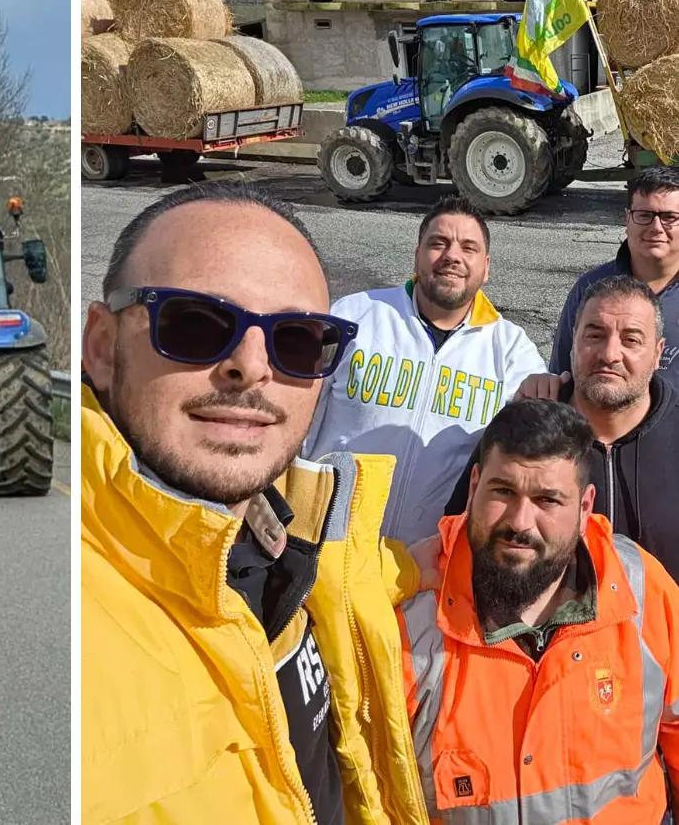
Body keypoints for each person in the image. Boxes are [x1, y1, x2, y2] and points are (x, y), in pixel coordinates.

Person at [81, 180, 438, 825]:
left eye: (297, 339)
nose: (252, 366)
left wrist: (425, 561)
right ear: (103, 348)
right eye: (194, 325)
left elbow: (352, 576)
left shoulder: (292, 533)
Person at [399, 398, 679, 823]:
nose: (520, 522)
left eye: (548, 500)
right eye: (503, 491)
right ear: (473, 487)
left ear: (585, 508)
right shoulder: (412, 619)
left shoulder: (642, 589)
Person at [303, 194, 545, 545]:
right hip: (326, 547)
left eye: (468, 247)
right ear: (417, 254)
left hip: (431, 563)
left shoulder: (511, 350)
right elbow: (295, 417)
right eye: (438, 243)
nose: (452, 256)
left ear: (486, 267)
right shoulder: (355, 316)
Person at [452, 274, 679, 583]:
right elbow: (456, 538)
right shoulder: (523, 425)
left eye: (631, 339)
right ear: (573, 340)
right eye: (595, 335)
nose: (610, 354)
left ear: (657, 353)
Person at [551, 165, 679, 388]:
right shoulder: (591, 288)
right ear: (627, 220)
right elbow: (562, 376)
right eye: (644, 215)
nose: (656, 227)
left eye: (669, 217)